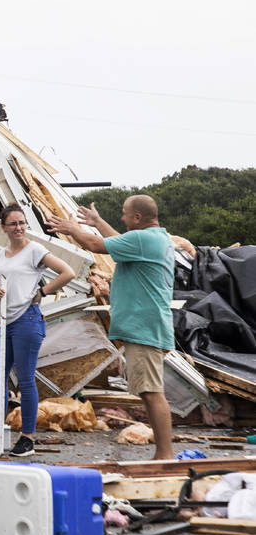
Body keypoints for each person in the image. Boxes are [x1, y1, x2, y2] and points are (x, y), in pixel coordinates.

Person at [48, 195, 175, 460]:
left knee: (152, 392)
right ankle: (162, 453)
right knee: (148, 391)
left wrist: (74, 230)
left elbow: (95, 244)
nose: (122, 217)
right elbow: (118, 238)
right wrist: (97, 221)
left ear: (137, 218)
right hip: (147, 327)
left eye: (125, 213)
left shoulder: (144, 239)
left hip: (145, 329)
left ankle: (165, 454)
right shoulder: (151, 238)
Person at [0, 204, 76, 457]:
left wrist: (42, 292)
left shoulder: (34, 250)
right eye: (13, 224)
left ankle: (27, 438)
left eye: (22, 223)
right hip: (7, 321)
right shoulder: (1, 255)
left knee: (25, 380)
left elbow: (67, 272)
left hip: (28, 320)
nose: (19, 228)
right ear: (3, 227)